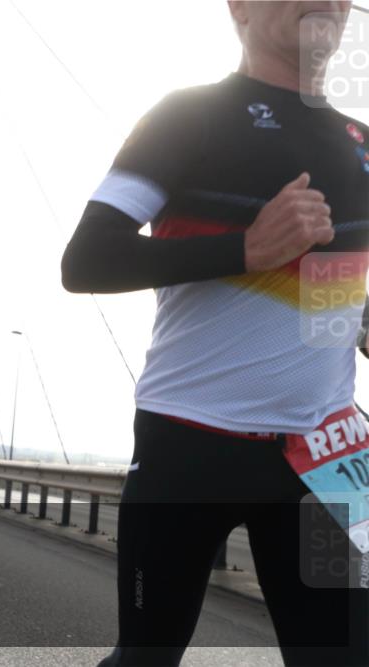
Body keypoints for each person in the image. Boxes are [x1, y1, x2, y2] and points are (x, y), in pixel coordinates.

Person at [61, 3, 368, 664]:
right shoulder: (188, 114)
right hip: (189, 441)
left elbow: (340, 296)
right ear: (240, 7)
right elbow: (86, 260)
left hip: (329, 447)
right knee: (147, 654)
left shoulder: (362, 140)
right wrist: (246, 248)